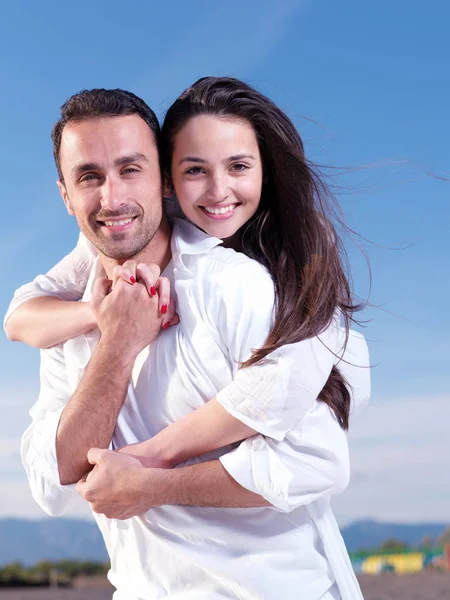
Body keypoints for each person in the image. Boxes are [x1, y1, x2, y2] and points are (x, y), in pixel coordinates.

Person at [5, 80, 370, 600]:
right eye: (89, 176)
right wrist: (116, 340)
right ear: (65, 195)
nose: (113, 197)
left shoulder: (238, 286)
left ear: (162, 181)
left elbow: (316, 459)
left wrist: (153, 483)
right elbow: (54, 482)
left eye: (131, 169)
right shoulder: (72, 319)